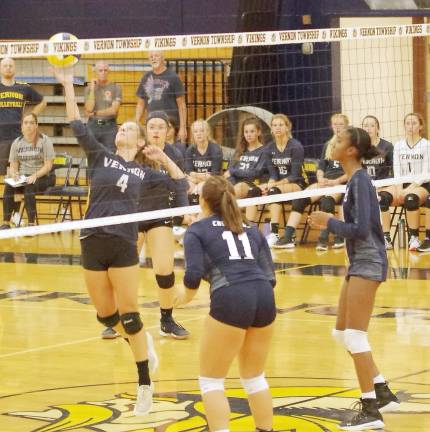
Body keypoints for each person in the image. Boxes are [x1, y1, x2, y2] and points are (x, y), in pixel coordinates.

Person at [53, 66, 185, 416]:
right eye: (121, 128)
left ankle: (144, 384)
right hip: (92, 240)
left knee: (129, 316)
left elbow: (182, 186)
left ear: (141, 141)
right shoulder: (101, 157)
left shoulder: (146, 172)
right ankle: (142, 344)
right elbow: (77, 123)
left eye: (130, 129)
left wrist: (165, 157)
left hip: (124, 243)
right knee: (104, 316)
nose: (123, 130)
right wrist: (67, 84)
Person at [308, 127, 399, 431]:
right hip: (360, 260)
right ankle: (382, 389)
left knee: (355, 336)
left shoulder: (360, 180)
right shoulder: (354, 181)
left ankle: (371, 409)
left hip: (368, 260)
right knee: (341, 333)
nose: (332, 141)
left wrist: (328, 222)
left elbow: (361, 230)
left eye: (339, 140)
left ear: (350, 151)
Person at [175, 175, 276, 432]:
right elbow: (270, 277)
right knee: (254, 378)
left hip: (232, 297)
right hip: (264, 296)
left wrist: (181, 299)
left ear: (203, 202)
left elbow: (193, 275)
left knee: (211, 382)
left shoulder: (196, 230)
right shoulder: (252, 228)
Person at [136, 110, 190, 339]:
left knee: (165, 270)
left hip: (160, 215)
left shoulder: (175, 153)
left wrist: (184, 213)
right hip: (134, 215)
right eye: (152, 127)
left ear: (168, 131)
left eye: (161, 127)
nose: (156, 130)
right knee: (125, 270)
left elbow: (180, 185)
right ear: (146, 131)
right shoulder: (136, 151)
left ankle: (166, 320)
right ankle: (119, 317)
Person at [273, 113, 348, 250]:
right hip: (326, 181)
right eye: (335, 124)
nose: (337, 127)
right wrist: (320, 178)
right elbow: (321, 167)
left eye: (340, 124)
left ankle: (324, 238)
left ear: (346, 126)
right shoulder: (328, 145)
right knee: (300, 199)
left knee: (327, 200)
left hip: (342, 184)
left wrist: (336, 181)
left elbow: (351, 172)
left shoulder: (350, 145)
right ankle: (288, 236)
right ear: (331, 126)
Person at [0, 57, 46, 224]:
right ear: (0, 68)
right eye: (5, 65)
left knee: (15, 177)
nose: (8, 68)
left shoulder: (23, 87)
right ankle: (10, 214)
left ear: (15, 68)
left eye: (11, 65)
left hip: (17, 139)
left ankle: (13, 214)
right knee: (6, 179)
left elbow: (43, 101)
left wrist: (30, 117)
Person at [0, 113, 55, 229]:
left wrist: (34, 175)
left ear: (36, 125)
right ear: (21, 126)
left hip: (44, 177)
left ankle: (31, 224)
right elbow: (13, 164)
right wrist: (14, 173)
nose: (28, 125)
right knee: (9, 185)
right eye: (26, 123)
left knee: (29, 186)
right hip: (24, 178)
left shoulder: (44, 140)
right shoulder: (16, 142)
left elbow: (48, 166)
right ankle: (5, 222)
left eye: (31, 122)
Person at [264, 114, 306, 247]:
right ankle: (266, 233)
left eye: (281, 125)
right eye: (275, 125)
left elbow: (294, 175)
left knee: (274, 190)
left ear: (288, 128)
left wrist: (274, 185)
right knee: (264, 191)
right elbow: (273, 174)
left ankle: (275, 232)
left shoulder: (295, 146)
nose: (277, 128)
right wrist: (269, 183)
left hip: (298, 184)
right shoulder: (269, 148)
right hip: (279, 184)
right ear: (271, 129)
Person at [390, 113, 430, 251]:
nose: (410, 127)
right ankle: (384, 238)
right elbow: (397, 171)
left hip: (422, 184)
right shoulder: (399, 145)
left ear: (421, 126)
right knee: (382, 198)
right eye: (407, 123)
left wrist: (408, 190)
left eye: (414, 123)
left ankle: (414, 237)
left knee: (410, 198)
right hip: (403, 183)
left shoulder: (426, 145)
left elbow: (425, 174)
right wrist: (399, 188)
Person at [135, 51, 187, 143]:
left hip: (169, 125)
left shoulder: (173, 77)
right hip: (152, 124)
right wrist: (136, 123)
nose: (153, 58)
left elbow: (181, 105)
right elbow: (140, 104)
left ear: (163, 58)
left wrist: (183, 128)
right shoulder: (146, 77)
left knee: (169, 152)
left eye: (156, 56)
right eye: (151, 56)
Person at [224, 117, 268, 225]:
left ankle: (227, 221)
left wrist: (234, 172)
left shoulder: (265, 151)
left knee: (237, 188)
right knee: (222, 187)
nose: (248, 134)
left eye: (252, 131)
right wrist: (232, 181)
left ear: (258, 132)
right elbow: (229, 172)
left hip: (254, 185)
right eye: (246, 132)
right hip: (236, 185)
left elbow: (256, 172)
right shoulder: (239, 150)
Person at [361, 115, 394, 249]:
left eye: (372, 125)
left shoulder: (387, 146)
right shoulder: (359, 147)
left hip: (384, 186)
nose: (368, 128)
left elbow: (394, 171)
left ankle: (386, 237)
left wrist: (385, 186)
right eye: (365, 125)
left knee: (381, 199)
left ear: (378, 128)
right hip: (366, 187)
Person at [84, 61, 122, 152]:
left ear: (109, 71)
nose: (103, 73)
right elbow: (89, 108)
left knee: (110, 155)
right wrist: (93, 89)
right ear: (96, 72)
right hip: (93, 126)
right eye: (100, 70)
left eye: (105, 70)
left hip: (110, 126)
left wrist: (95, 113)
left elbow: (113, 110)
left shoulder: (116, 87)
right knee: (92, 155)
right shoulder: (88, 89)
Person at [185, 119, 223, 202]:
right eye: (195, 131)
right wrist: (201, 177)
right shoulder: (190, 150)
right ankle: (189, 214)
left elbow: (214, 174)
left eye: (202, 131)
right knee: (186, 187)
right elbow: (188, 172)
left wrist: (196, 177)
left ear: (207, 133)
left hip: (213, 181)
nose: (198, 134)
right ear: (193, 134)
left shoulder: (216, 149)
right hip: (195, 180)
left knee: (201, 188)